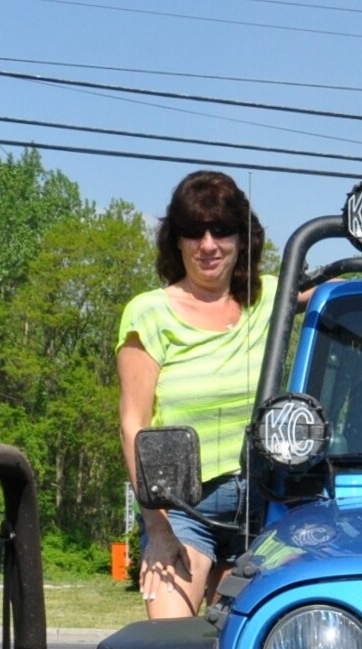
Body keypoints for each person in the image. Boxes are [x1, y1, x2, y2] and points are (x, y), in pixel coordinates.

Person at [118, 170, 278, 619]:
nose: (208, 244)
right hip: (183, 507)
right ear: (177, 240)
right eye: (194, 231)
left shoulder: (271, 298)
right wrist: (157, 528)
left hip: (267, 507)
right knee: (170, 647)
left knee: (259, 640)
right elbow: (133, 424)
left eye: (221, 230)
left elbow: (345, 296)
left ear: (242, 238)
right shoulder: (149, 312)